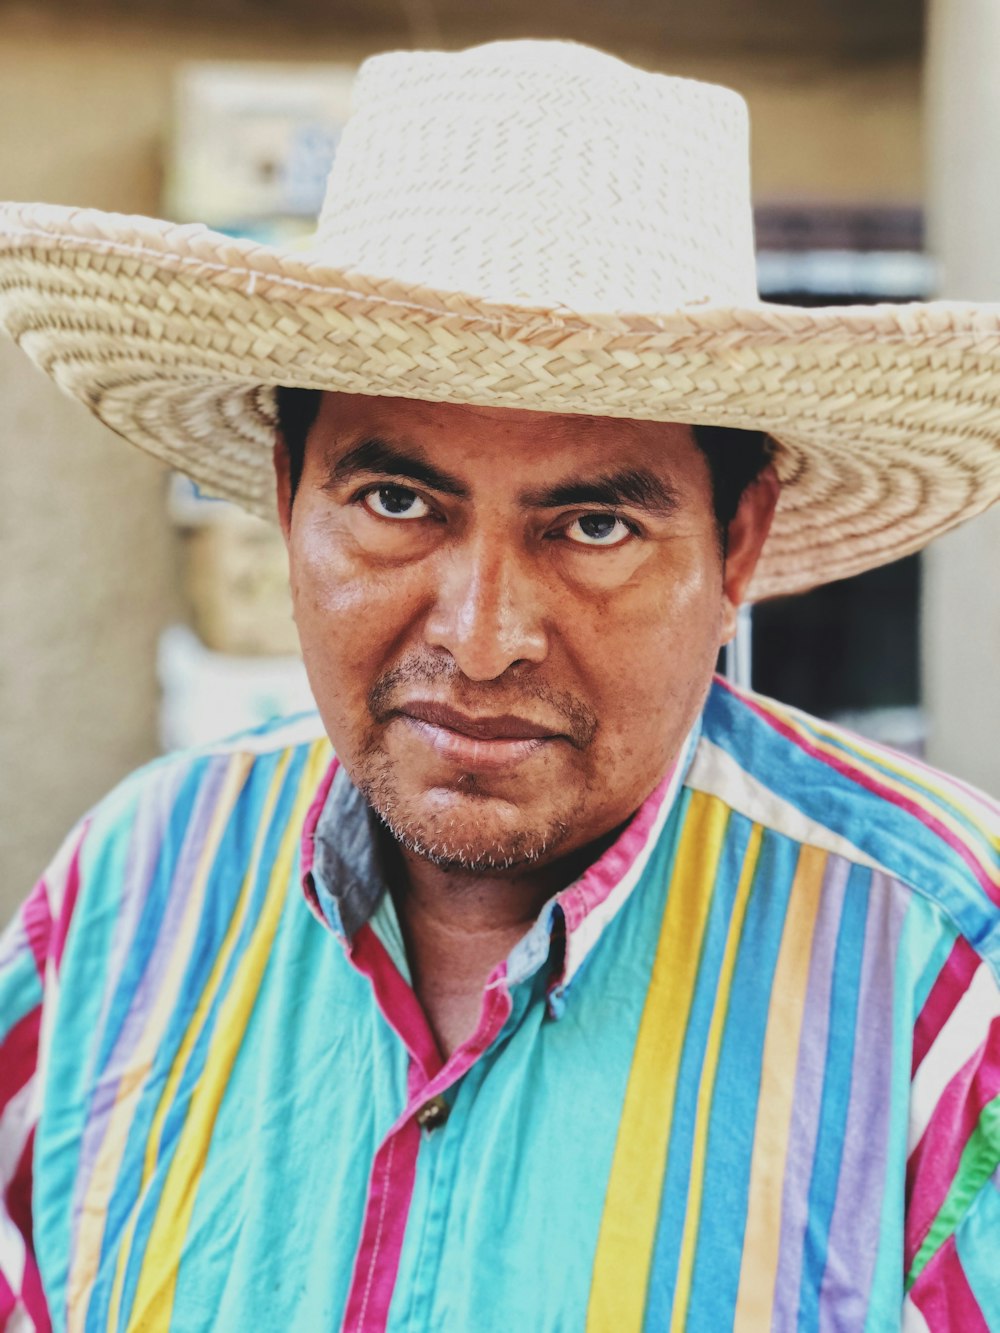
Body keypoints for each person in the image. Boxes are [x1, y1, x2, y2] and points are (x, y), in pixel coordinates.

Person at [0, 38, 998, 1333]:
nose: (480, 639)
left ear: (737, 540)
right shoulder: (124, 900)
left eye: (592, 526)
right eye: (398, 500)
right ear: (287, 496)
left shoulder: (945, 978)